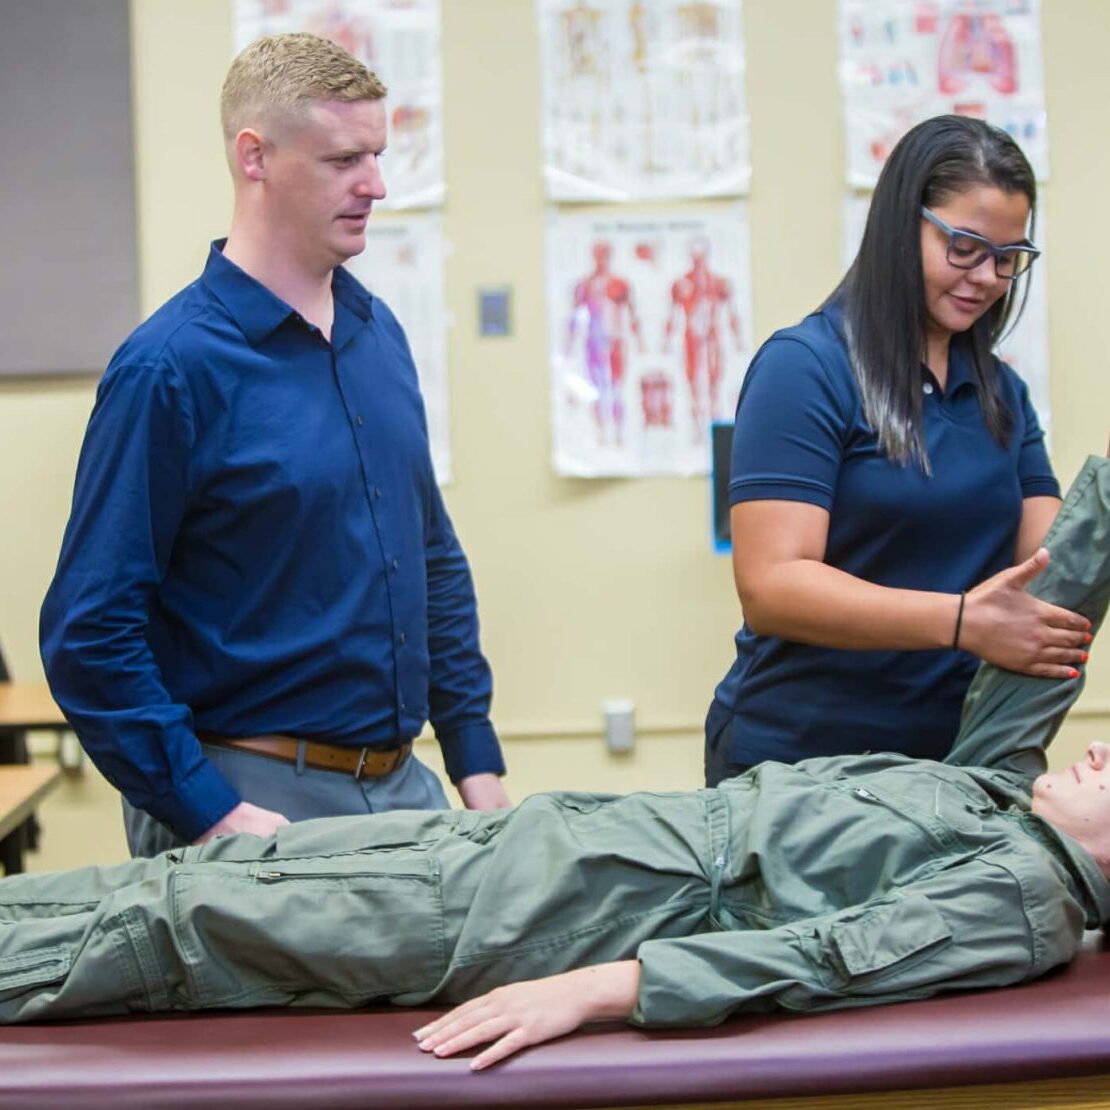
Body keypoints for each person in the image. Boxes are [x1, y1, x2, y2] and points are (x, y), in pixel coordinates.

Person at [4, 454, 1107, 1071]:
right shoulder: (1007, 803)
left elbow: (821, 957)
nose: (1100, 750)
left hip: (552, 909)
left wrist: (587, 993)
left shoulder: (1019, 896)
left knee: (182, 927)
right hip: (549, 848)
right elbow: (1043, 635)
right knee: (199, 887)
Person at [39, 32, 509, 860]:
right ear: (254, 157)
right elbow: (89, 632)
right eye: (342, 160)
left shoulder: (378, 332)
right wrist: (208, 810)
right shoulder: (169, 369)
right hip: (251, 799)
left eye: (378, 154)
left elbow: (428, 555)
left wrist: (475, 759)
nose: (377, 185)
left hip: (404, 786)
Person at [705, 114, 1091, 787]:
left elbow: (1048, 564)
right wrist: (963, 622)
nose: (987, 277)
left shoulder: (1001, 392)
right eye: (964, 246)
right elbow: (772, 587)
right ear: (899, 224)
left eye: (1007, 258)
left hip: (954, 762)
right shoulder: (806, 368)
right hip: (804, 764)